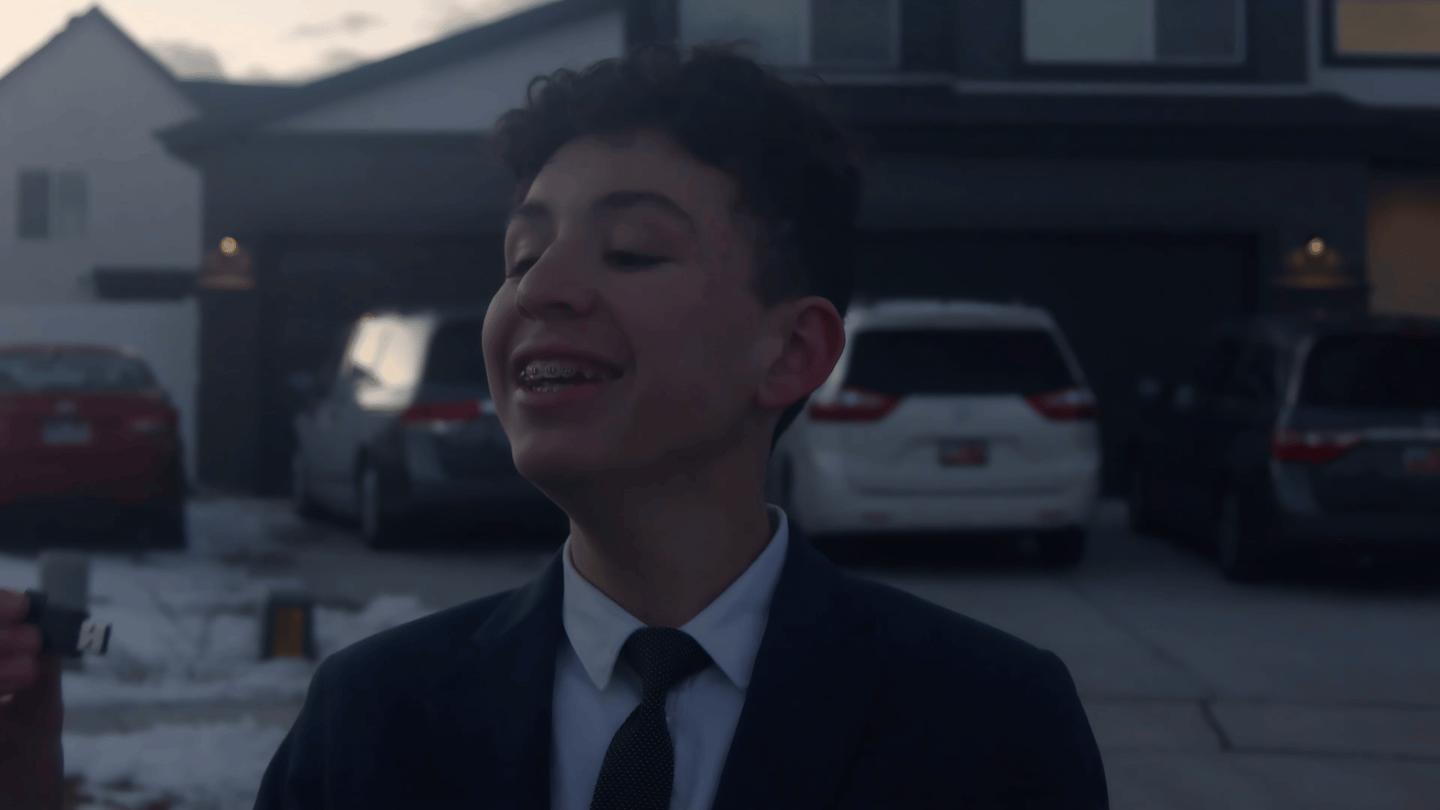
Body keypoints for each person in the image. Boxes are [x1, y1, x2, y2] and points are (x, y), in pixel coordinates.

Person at [0, 43, 1107, 809]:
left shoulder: (987, 720)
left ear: (794, 352)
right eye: (522, 254)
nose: (542, 289)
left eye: (631, 250)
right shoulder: (374, 713)